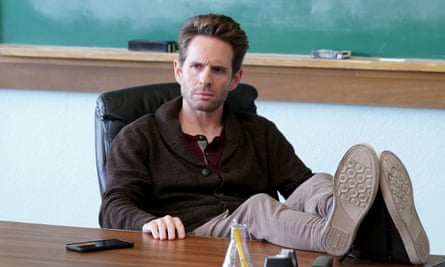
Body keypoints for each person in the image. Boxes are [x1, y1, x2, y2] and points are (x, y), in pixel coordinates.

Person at [99, 13, 429, 265]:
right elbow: (113, 207)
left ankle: (375, 234)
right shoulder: (140, 135)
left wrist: (327, 197)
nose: (205, 78)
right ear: (178, 70)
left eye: (217, 70)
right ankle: (342, 236)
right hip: (196, 237)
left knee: (320, 184)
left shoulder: (259, 131)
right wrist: (149, 222)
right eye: (196, 66)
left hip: (256, 246)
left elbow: (300, 186)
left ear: (235, 79)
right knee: (257, 208)